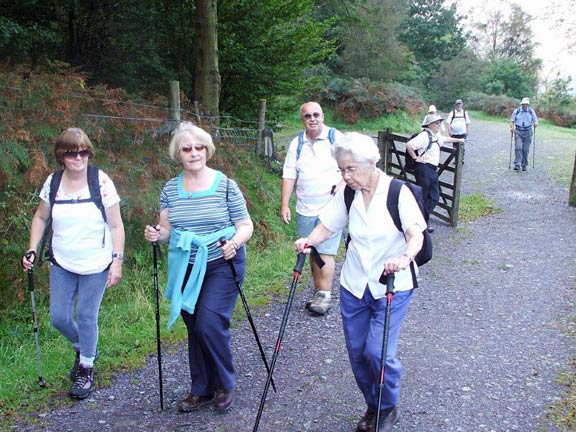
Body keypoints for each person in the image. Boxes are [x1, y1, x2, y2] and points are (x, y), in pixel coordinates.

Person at [294, 132, 425, 432]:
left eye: (350, 169)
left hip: (392, 284)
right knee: (357, 353)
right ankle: (373, 405)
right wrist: (308, 241)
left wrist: (404, 258)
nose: (345, 175)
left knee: (377, 352)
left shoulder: (398, 192)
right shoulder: (349, 193)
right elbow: (328, 226)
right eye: (341, 169)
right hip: (354, 284)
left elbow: (416, 234)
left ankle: (387, 406)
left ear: (372, 162)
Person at [144, 122, 253, 414]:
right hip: (186, 265)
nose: (194, 153)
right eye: (187, 148)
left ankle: (224, 383)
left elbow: (245, 226)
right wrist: (157, 234)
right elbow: (166, 229)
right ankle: (201, 389)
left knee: (209, 323)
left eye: (199, 147)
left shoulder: (226, 185)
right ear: (177, 154)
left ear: (208, 150)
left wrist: (234, 243)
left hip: (222, 262)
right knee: (194, 328)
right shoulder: (170, 189)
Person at [21, 127, 125, 400]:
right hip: (63, 261)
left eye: (83, 153)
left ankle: (86, 368)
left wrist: (117, 261)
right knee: (58, 318)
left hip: (96, 263)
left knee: (87, 316)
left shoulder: (100, 181)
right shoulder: (53, 182)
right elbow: (40, 218)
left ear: (89, 153)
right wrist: (32, 249)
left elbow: (116, 224)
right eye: (71, 154)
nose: (78, 159)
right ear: (61, 156)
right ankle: (84, 348)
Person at [280, 101, 344, 316]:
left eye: (316, 114)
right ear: (302, 120)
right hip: (305, 207)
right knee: (311, 250)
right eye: (308, 116)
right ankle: (320, 290)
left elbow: (350, 165)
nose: (312, 118)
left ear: (323, 116)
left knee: (325, 252)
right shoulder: (297, 143)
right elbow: (289, 174)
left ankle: (324, 295)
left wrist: (342, 186)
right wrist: (284, 205)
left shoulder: (336, 138)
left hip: (331, 207)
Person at [406, 114, 465, 233]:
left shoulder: (435, 136)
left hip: (431, 170)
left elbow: (445, 139)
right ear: (429, 125)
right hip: (424, 169)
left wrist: (459, 140)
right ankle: (420, 224)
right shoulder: (424, 136)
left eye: (439, 123)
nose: (439, 125)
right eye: (436, 123)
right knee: (423, 197)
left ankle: (420, 221)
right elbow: (409, 145)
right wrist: (416, 157)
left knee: (434, 196)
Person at [509, 97, 538, 171]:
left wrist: (535, 124)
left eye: (526, 104)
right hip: (518, 131)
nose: (524, 105)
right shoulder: (517, 111)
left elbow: (536, 121)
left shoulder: (531, 111)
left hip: (528, 132)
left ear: (528, 105)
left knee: (525, 149)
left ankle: (524, 164)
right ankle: (517, 164)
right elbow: (512, 121)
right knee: (518, 147)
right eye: (523, 104)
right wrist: (512, 128)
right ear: (521, 104)